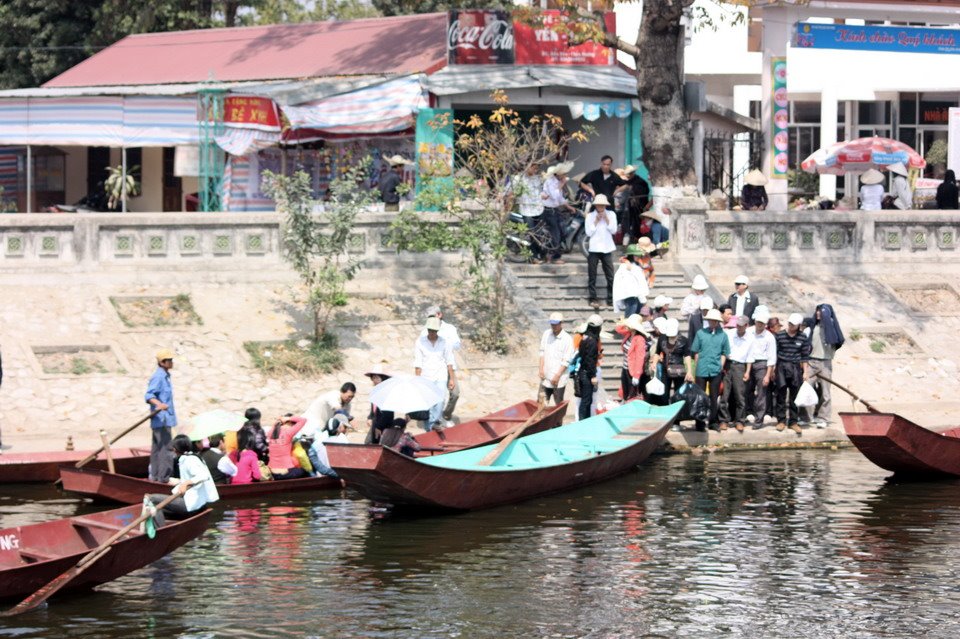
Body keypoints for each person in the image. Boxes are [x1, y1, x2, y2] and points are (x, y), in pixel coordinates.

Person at [149, 434, 219, 524]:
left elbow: (203, 476)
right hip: (195, 503)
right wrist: (179, 484)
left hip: (192, 505)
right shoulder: (190, 457)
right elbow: (187, 479)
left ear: (175, 449)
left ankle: (160, 530)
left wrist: (186, 483)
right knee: (159, 508)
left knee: (151, 499)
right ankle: (160, 525)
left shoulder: (189, 460)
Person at [804, 303, 844, 427]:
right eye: (817, 311)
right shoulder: (812, 326)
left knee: (825, 393)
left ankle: (823, 418)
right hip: (811, 362)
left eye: (821, 311)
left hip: (825, 363)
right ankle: (806, 417)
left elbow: (838, 340)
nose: (818, 313)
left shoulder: (831, 328)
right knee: (807, 389)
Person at [690, 308, 730, 432]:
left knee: (714, 397)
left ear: (717, 322)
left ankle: (713, 421)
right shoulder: (700, 333)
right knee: (700, 397)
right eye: (711, 320)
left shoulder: (723, 335)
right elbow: (696, 352)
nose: (712, 322)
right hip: (701, 368)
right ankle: (700, 422)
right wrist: (696, 369)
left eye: (714, 321)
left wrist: (720, 365)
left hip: (715, 369)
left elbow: (725, 352)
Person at [414, 316, 456, 431]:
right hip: (426, 376)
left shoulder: (444, 342)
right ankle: (429, 427)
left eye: (434, 331)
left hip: (440, 375)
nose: (432, 333)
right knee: (428, 402)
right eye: (430, 330)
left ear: (437, 331)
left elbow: (449, 361)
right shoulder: (420, 342)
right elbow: (418, 362)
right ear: (427, 330)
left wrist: (451, 378)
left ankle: (434, 423)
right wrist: (417, 379)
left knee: (440, 400)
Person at [422, 305, 462, 424]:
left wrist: (442, 341)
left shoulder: (450, 329)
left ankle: (445, 415)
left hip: (448, 366)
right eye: (428, 317)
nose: (430, 320)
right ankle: (434, 421)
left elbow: (457, 345)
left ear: (439, 315)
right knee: (436, 397)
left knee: (455, 393)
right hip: (432, 367)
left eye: (432, 316)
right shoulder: (425, 330)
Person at [775, 313, 812, 434]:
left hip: (796, 367)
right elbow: (774, 353)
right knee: (781, 394)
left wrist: (805, 372)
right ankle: (781, 420)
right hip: (781, 366)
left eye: (794, 325)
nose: (791, 326)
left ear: (799, 325)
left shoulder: (802, 337)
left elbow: (804, 356)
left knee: (794, 396)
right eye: (790, 323)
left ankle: (793, 422)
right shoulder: (779, 335)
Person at [145, 349, 178, 483]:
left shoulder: (165, 376)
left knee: (158, 449)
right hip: (161, 419)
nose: (171, 363)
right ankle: (163, 478)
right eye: (169, 360)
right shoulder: (158, 377)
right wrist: (159, 404)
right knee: (165, 449)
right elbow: (149, 395)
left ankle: (156, 477)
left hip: (164, 419)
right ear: (162, 362)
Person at [718, 315, 753, 432]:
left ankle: (740, 420)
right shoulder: (729, 334)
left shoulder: (750, 338)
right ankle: (723, 420)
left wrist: (747, 371)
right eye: (738, 325)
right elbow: (723, 350)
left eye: (741, 326)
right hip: (728, 364)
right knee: (725, 394)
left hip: (740, 366)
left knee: (740, 395)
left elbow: (750, 356)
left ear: (746, 326)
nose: (739, 327)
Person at [508, 161, 546, 262]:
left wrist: (543, 195)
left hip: (539, 208)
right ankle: (533, 257)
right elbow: (510, 193)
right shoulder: (518, 179)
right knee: (531, 233)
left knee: (540, 234)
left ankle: (541, 254)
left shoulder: (537, 178)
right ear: (527, 167)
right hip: (526, 210)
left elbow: (540, 191)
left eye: (536, 168)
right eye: (533, 168)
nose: (535, 170)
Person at [746, 305, 777, 427]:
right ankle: (747, 413)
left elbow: (771, 357)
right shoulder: (748, 332)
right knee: (746, 389)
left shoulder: (769, 337)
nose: (760, 324)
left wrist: (768, 374)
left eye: (762, 323)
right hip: (748, 362)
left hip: (762, 364)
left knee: (761, 393)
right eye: (758, 322)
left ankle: (759, 419)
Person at [585, 193, 618, 309]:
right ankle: (593, 298)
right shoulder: (590, 216)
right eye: (599, 205)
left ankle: (610, 298)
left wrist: (607, 219)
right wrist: (596, 221)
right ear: (596, 206)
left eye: (603, 205)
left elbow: (614, 231)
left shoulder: (612, 214)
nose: (601, 208)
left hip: (607, 247)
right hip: (594, 248)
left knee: (610, 275)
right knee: (592, 274)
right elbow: (588, 233)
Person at [541, 161, 576, 265]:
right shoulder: (550, 182)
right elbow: (554, 196)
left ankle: (551, 254)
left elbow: (560, 199)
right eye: (564, 174)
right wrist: (562, 185)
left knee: (563, 232)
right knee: (555, 234)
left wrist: (569, 206)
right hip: (548, 210)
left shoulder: (557, 182)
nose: (565, 176)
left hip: (555, 210)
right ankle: (554, 257)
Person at [652, 318, 693, 406]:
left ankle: (677, 416)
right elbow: (657, 353)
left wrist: (689, 371)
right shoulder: (662, 339)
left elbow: (687, 356)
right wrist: (654, 363)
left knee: (678, 394)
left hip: (679, 370)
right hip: (665, 370)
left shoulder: (684, 340)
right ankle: (665, 412)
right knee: (664, 394)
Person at [579, 155, 628, 223]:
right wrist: (591, 191)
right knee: (594, 223)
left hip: (609, 204)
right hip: (597, 203)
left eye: (608, 164)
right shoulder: (594, 174)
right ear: (601, 163)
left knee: (610, 223)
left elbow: (625, 185)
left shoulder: (614, 176)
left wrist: (616, 191)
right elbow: (582, 183)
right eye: (604, 164)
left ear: (611, 165)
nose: (606, 166)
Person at [539, 312, 575, 405]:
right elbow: (542, 352)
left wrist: (558, 375)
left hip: (559, 379)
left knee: (558, 405)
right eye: (552, 324)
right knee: (541, 404)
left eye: (556, 324)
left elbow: (567, 360)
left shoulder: (567, 339)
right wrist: (541, 369)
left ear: (561, 323)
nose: (553, 326)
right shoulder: (546, 334)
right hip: (545, 377)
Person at [576, 314, 604, 420]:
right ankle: (583, 422)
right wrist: (593, 375)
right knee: (586, 400)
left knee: (586, 400)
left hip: (582, 371)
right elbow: (590, 359)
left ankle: (584, 421)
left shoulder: (584, 337)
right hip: (587, 374)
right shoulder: (592, 341)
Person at [615, 314, 648, 402]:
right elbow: (618, 329)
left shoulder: (639, 339)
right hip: (625, 368)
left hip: (632, 371)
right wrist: (624, 323)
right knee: (625, 393)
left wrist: (636, 375)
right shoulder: (629, 334)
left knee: (632, 396)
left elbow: (640, 358)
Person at [612, 244, 650, 318]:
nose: (638, 257)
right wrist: (643, 300)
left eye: (638, 255)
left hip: (637, 297)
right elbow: (634, 286)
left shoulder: (634, 266)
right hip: (632, 296)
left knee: (637, 319)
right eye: (636, 255)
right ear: (631, 255)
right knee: (630, 320)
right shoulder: (626, 267)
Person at [268, 414, 308, 480]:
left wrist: (280, 420)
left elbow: (275, 425)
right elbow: (303, 420)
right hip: (285, 473)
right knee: (305, 470)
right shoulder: (288, 432)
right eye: (294, 425)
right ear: (290, 423)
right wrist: (288, 418)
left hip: (273, 472)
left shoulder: (271, 432)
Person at [363, 366, 394, 445]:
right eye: (373, 378)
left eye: (377, 378)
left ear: (383, 379)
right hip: (375, 424)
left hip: (383, 426)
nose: (374, 380)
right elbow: (373, 410)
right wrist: (370, 417)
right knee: (369, 444)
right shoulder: (375, 392)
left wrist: (379, 427)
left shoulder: (387, 394)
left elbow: (388, 414)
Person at [621, 165, 650, 244]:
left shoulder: (640, 182)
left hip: (639, 207)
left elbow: (642, 195)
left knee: (638, 224)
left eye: (630, 173)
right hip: (630, 208)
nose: (628, 175)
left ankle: (639, 241)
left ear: (633, 173)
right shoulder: (629, 181)